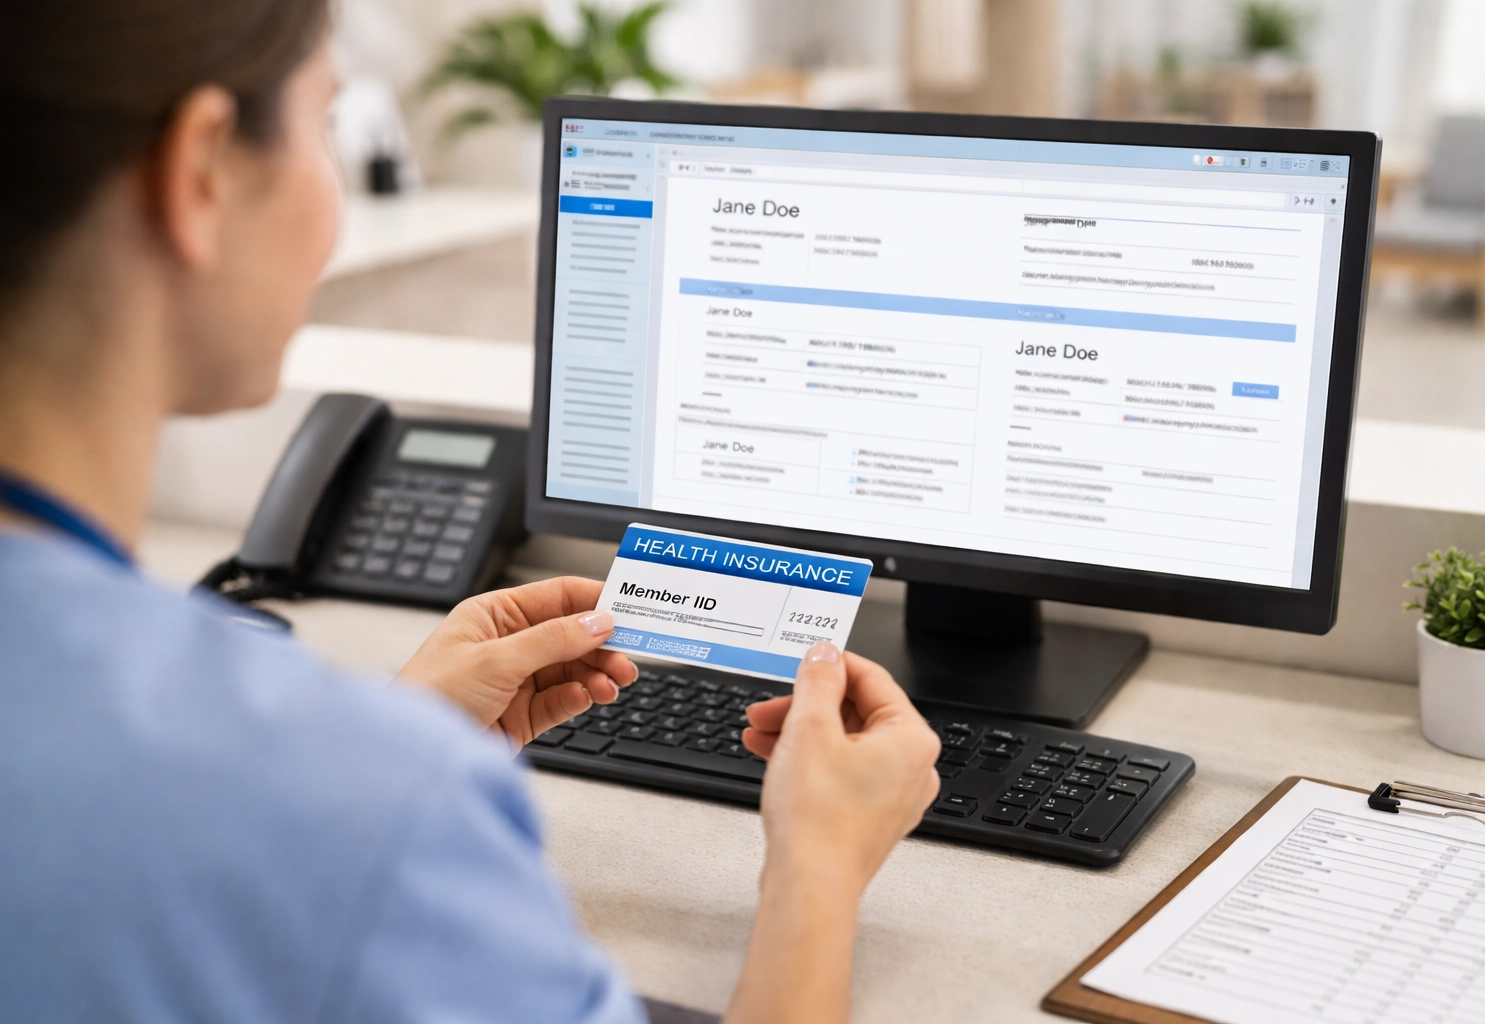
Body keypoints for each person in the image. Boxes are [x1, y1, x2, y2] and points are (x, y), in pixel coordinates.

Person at [0, 3, 941, 1023]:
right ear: (201, 172)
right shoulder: (378, 808)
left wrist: (383, 743)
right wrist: (818, 868)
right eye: (327, 122)